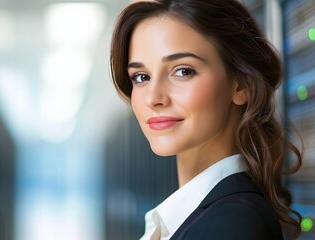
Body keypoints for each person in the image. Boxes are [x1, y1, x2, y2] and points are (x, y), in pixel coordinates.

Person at [109, 0, 303, 239]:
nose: (153, 98)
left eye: (183, 71)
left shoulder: (231, 225)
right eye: (141, 76)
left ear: (241, 85)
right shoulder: (201, 216)